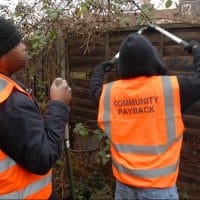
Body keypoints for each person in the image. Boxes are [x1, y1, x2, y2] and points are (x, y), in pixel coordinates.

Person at [89, 32, 200, 199]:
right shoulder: (172, 89)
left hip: (124, 188)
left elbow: (94, 91)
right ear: (154, 59)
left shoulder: (109, 94)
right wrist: (197, 52)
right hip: (159, 191)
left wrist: (99, 70)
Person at [0, 17, 71, 199]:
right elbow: (42, 157)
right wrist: (58, 104)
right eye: (18, 42)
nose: (24, 46)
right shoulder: (8, 101)